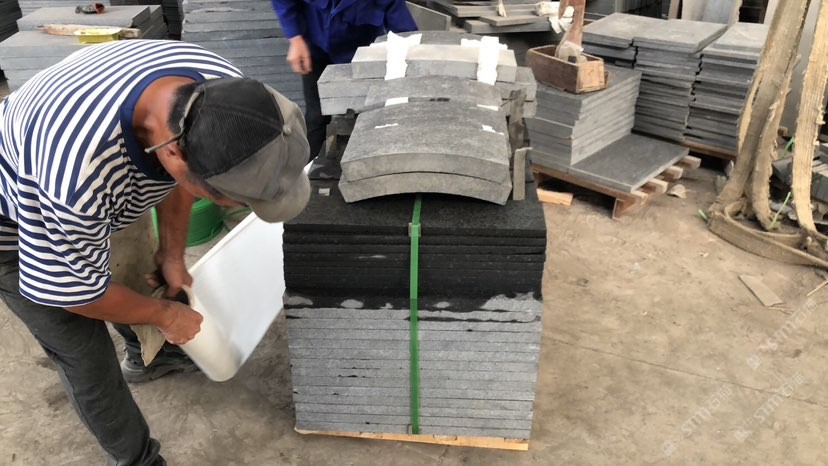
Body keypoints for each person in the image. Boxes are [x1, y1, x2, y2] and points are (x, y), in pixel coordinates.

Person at [0, 39, 310, 465]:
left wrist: (172, 252)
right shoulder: (77, 180)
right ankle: (138, 460)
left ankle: (152, 359)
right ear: (173, 153)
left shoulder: (226, 95)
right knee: (83, 353)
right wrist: (165, 315)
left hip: (90, 179)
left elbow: (184, 175)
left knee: (138, 270)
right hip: (14, 219)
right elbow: (75, 295)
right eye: (230, 198)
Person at [271, 0, 418, 162]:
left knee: (362, 117)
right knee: (315, 117)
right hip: (316, 50)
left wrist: (410, 68)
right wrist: (295, 38)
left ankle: (362, 163)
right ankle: (306, 168)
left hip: (359, 56)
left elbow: (405, 34)